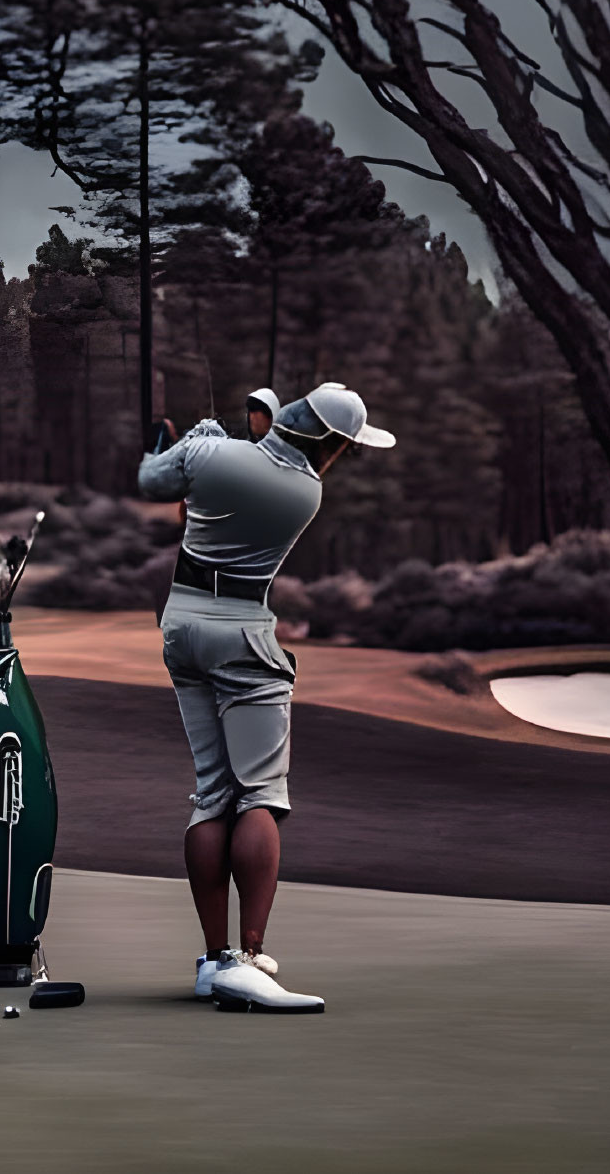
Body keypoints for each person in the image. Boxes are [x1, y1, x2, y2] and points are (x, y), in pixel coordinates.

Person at [139, 382, 395, 1013]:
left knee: (213, 792)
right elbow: (255, 463)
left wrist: (188, 445)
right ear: (327, 442)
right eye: (345, 446)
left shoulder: (213, 456)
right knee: (260, 795)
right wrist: (211, 448)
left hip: (182, 622)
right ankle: (248, 959)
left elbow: (153, 481)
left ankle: (212, 961)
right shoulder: (306, 490)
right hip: (242, 631)